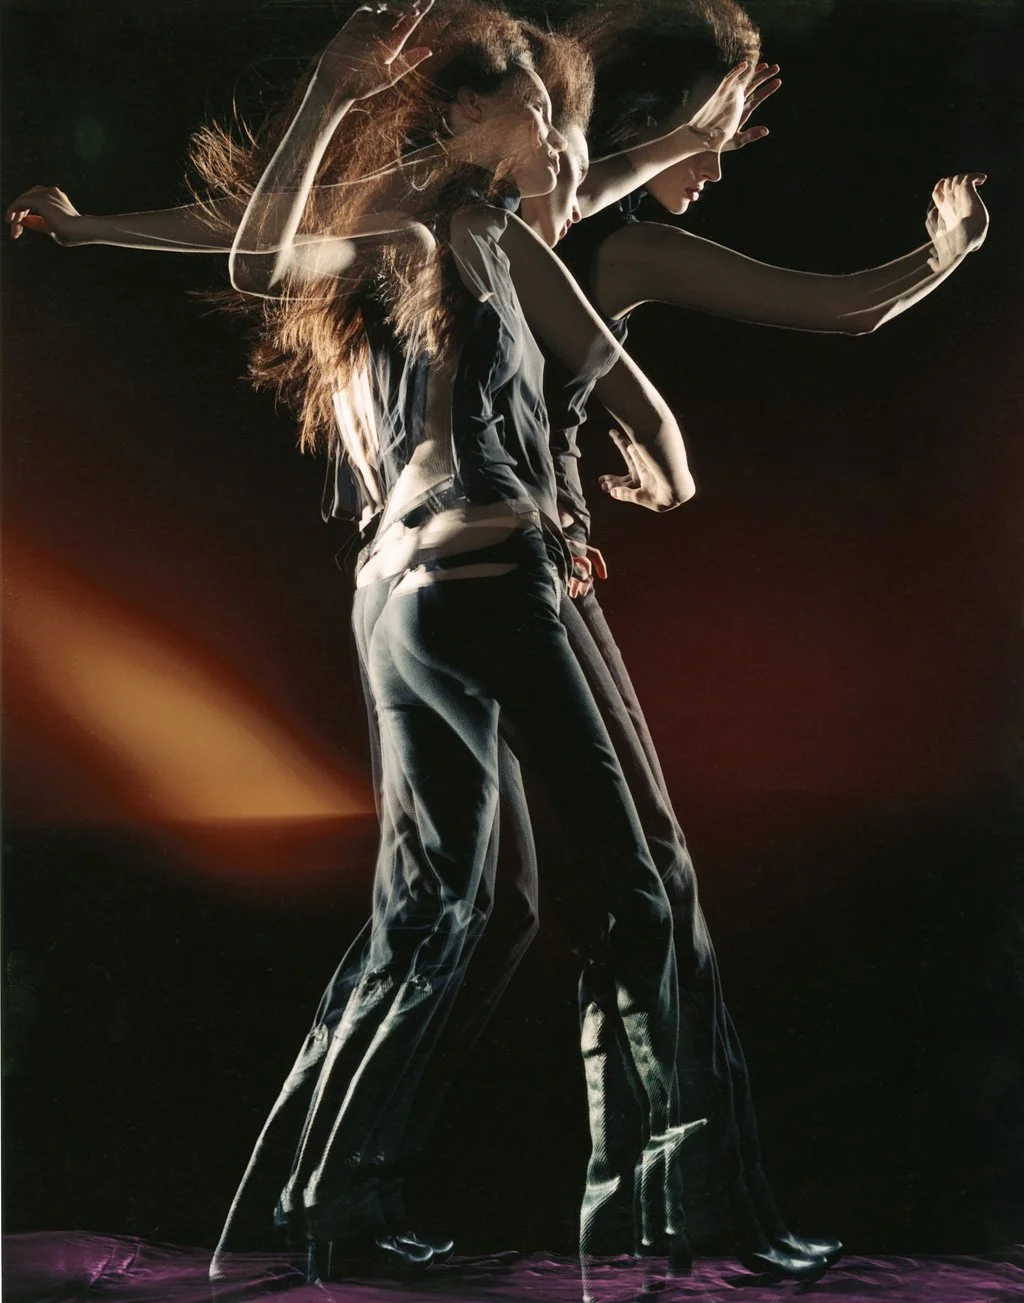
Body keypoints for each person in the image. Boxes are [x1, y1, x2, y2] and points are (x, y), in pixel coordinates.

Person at [7, 1, 746, 1287]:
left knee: (479, 905)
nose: (563, 141)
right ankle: (593, 1218)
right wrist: (323, 100)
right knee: (540, 894)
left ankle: (338, 1197)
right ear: (461, 117)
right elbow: (250, 247)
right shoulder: (408, 222)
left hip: (439, 576)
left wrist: (682, 141)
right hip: (449, 575)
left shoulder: (488, 225)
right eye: (537, 112)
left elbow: (570, 189)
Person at [503, 0, 987, 1277]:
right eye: (712, 133)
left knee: (636, 889)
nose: (722, 164)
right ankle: (670, 1221)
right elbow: (840, 309)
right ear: (643, 124)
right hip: (507, 585)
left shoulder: (582, 239)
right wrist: (940, 258)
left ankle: (673, 1218)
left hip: (537, 576)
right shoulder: (581, 240)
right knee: (615, 892)